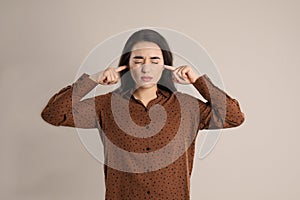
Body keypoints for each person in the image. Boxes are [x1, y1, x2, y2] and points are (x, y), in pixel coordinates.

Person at [41, 29, 245, 200]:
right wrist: (93, 79)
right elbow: (53, 114)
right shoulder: (106, 105)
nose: (146, 67)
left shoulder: (187, 107)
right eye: (138, 60)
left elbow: (234, 116)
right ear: (127, 65)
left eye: (154, 60)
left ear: (165, 65)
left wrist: (196, 80)